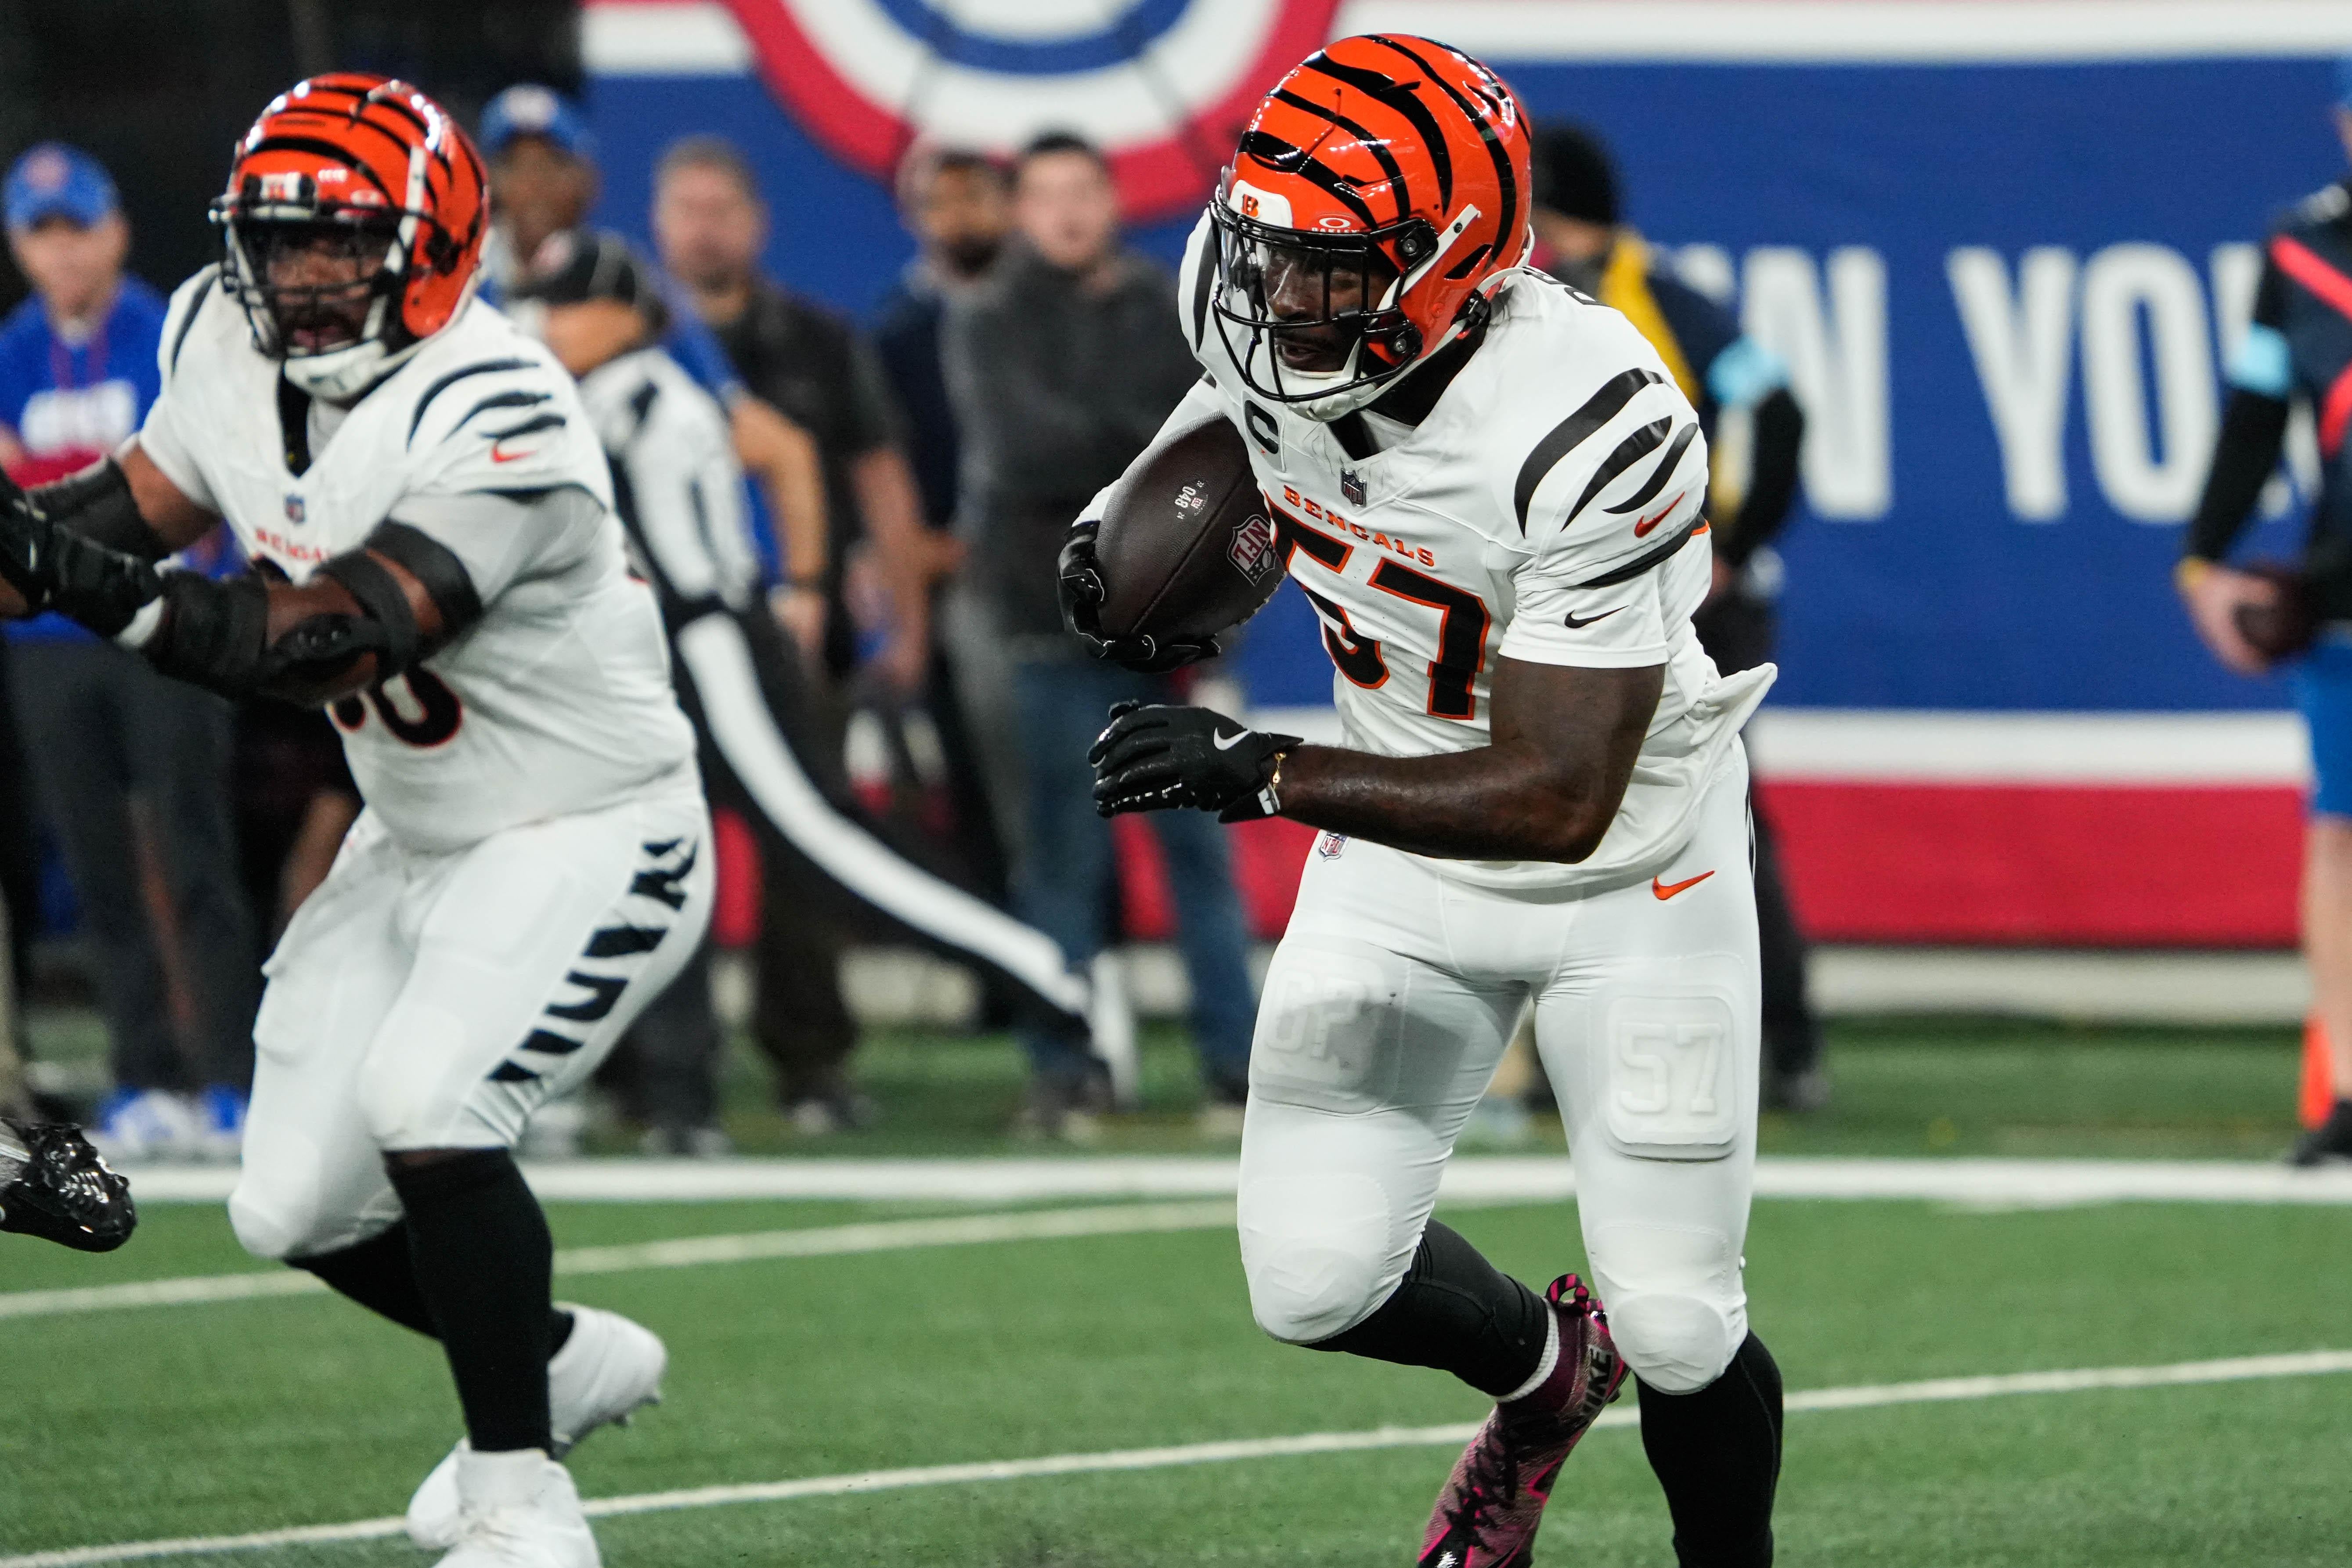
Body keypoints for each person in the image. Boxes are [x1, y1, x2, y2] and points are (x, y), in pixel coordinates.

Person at [1064, 37, 1783, 1567]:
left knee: (1676, 1314)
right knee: (1310, 1278)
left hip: (1627, 872)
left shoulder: (1598, 420)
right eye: (1271, 258)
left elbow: (1558, 794)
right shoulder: (1243, 287)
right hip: (1399, 852)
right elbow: (1238, 417)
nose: (1281, 303)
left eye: (1334, 271)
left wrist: (1260, 769)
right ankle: (1540, 1379)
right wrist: (1125, 532)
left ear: (1454, 263)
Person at [0, 77, 708, 1565]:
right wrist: (26, 548)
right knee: (292, 1203)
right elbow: (136, 504)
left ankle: (524, 1504)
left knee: (432, 1106)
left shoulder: (501, 403)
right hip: (420, 831)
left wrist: (77, 585)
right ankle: (560, 1359)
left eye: (339, 245)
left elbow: (327, 640)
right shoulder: (215, 332)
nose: (302, 277)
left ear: (435, 241)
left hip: (590, 823)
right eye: (279, 241)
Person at [506, 232, 1091, 1150]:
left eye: (566, 306)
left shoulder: (636, 393)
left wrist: (807, 584)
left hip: (706, 642)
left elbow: (779, 449)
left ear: (621, 312)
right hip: (660, 650)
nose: (547, 325)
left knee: (823, 842)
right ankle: (669, 1093)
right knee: (650, 860)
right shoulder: (630, 388)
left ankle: (1049, 980)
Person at [945, 131, 1258, 1137]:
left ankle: (1235, 1066)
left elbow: (1215, 442)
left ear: (1112, 199)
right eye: (1044, 194)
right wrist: (1144, 457)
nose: (1067, 212)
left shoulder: (1171, 310)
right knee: (1059, 858)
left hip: (1167, 631)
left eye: (1082, 190)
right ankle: (1062, 1063)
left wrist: (1142, 458)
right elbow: (1021, 450)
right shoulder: (987, 317)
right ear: (1018, 210)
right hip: (1045, 625)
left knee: (1196, 848)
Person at [1530, 121, 1823, 1111]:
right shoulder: (1655, 292)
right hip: (1641, 597)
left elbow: (1779, 413)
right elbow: (1775, 408)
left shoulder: (1621, 299)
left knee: (1624, 812)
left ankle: (1763, 1040)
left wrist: (1730, 553)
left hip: (1663, 603)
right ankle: (1776, 1047)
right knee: (1706, 815)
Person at [0, 142, 261, 1160]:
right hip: (50, 645)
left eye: (78, 229)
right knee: (97, 859)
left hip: (162, 626)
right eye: (41, 233)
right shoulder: (14, 349)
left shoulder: (170, 331)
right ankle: (144, 1074)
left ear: (115, 231)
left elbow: (203, 474)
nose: (62, 254)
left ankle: (231, 1077)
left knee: (196, 852)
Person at [472, 84, 833, 669]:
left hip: (653, 601)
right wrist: (556, 335)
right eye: (515, 164)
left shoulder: (622, 275)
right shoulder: (453, 278)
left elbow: (776, 445)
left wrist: (805, 590)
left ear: (585, 179)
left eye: (552, 165)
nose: (532, 185)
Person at [2180, 61, 2352, 1166]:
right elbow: (2253, 414)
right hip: (2340, 596)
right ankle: (2345, 1083)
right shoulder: (2299, 250)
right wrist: (2203, 563)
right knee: (2336, 833)